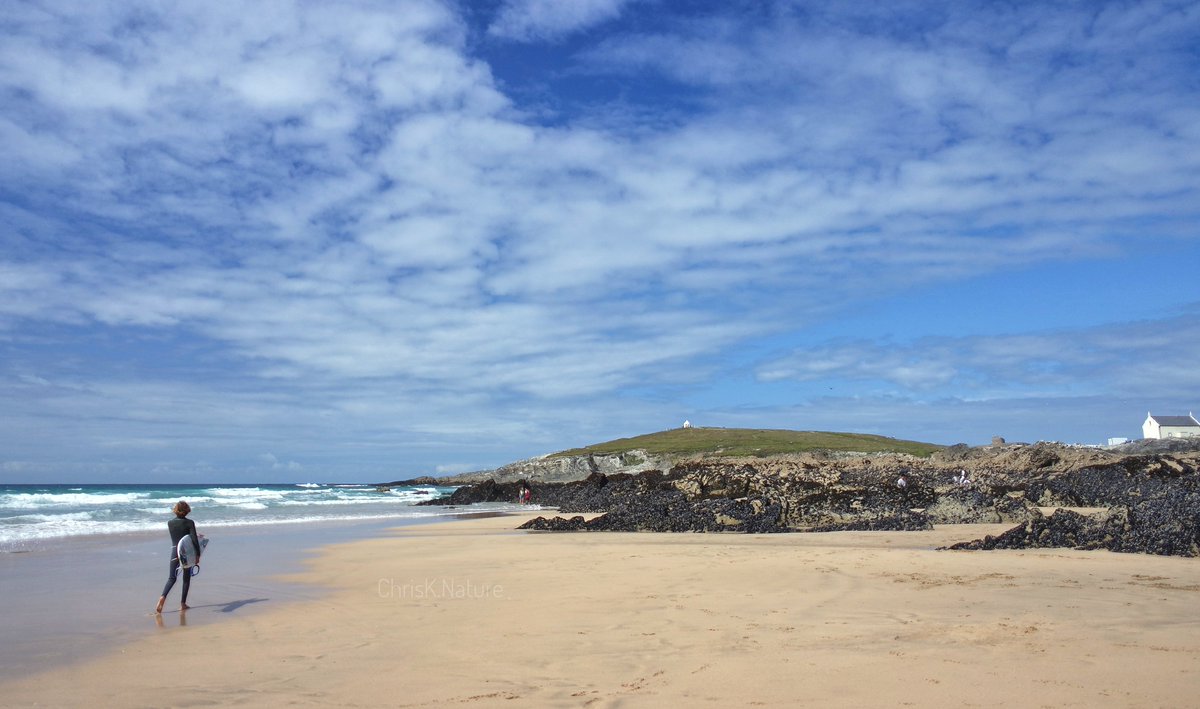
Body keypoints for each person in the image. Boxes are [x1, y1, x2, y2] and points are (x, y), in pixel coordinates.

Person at [156, 500, 201, 614]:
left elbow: (180, 537)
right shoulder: (189, 523)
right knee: (186, 578)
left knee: (172, 578)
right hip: (185, 553)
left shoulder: (170, 523)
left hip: (174, 552)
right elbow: (193, 540)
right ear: (187, 511)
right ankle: (182, 604)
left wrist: (194, 535)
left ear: (176, 510)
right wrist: (197, 554)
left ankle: (163, 597)